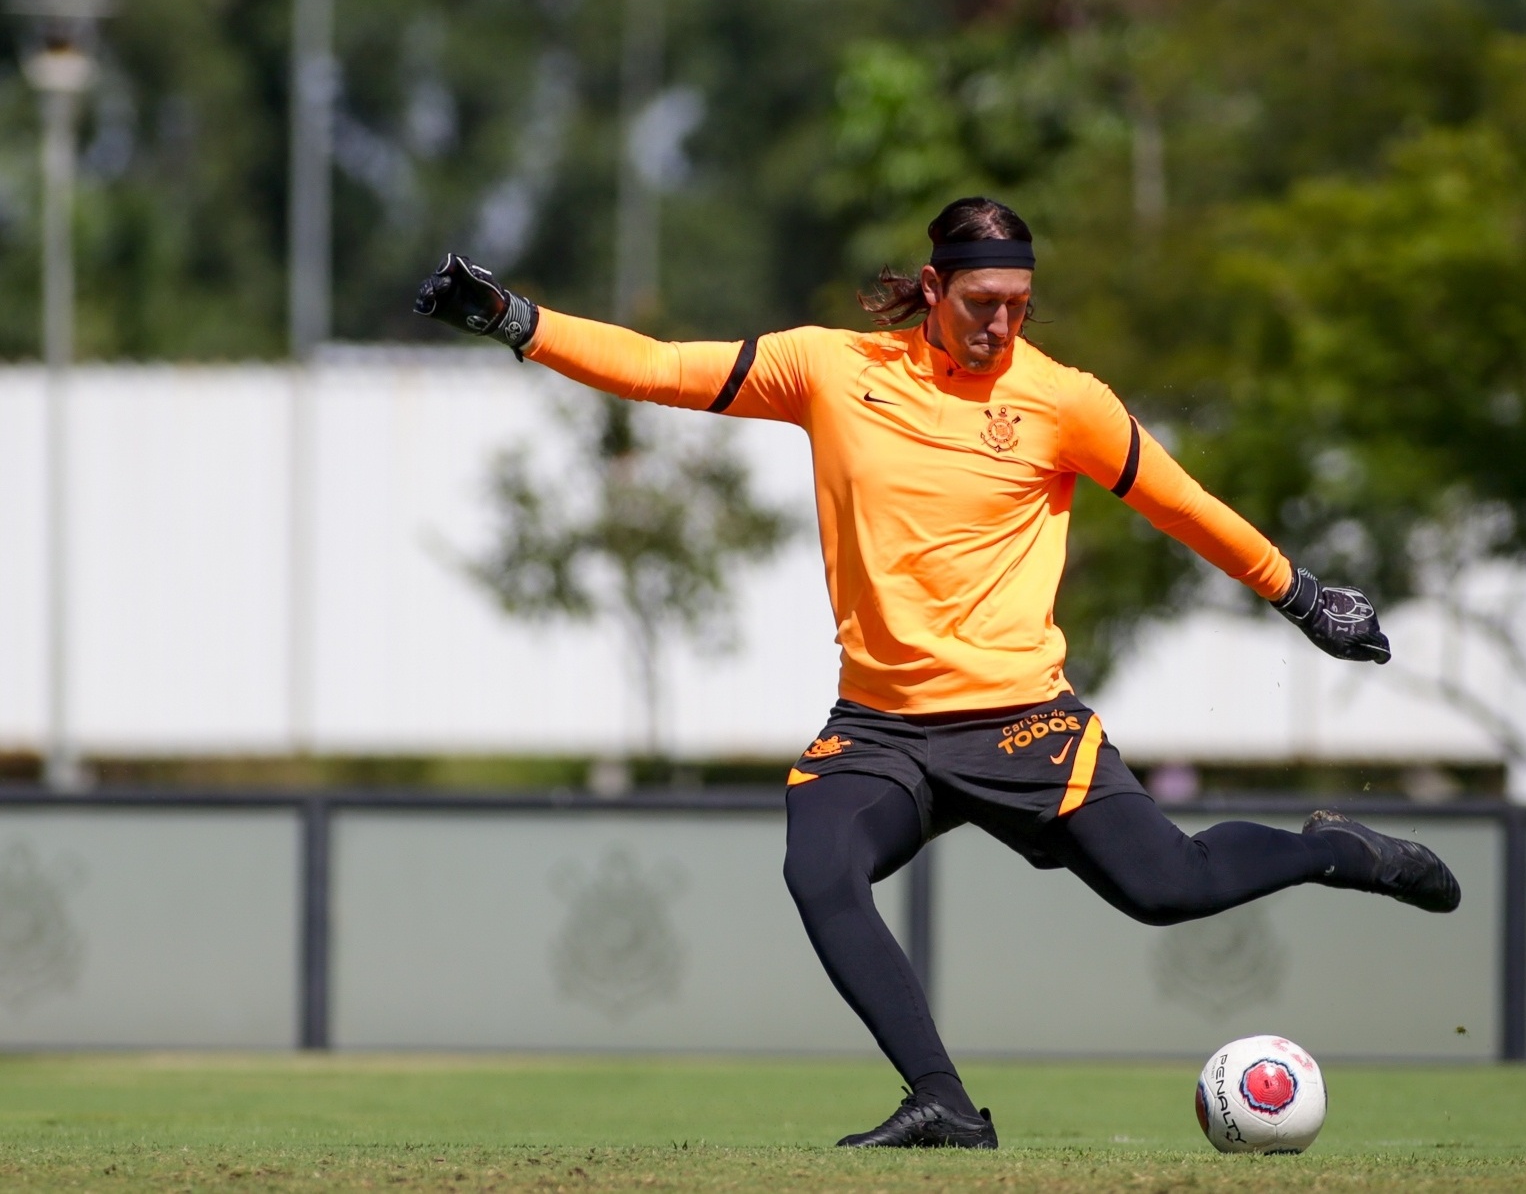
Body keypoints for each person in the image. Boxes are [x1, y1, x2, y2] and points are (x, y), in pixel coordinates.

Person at [414, 195, 1459, 1150]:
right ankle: (944, 1105)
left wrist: (1299, 595)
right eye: (981, 302)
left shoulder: (1063, 402)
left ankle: (1330, 852)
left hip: (1020, 721)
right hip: (878, 727)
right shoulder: (831, 369)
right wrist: (518, 320)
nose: (1002, 326)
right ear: (932, 288)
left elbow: (1182, 504)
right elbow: (656, 366)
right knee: (818, 872)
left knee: (1167, 889)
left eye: (1019, 305)